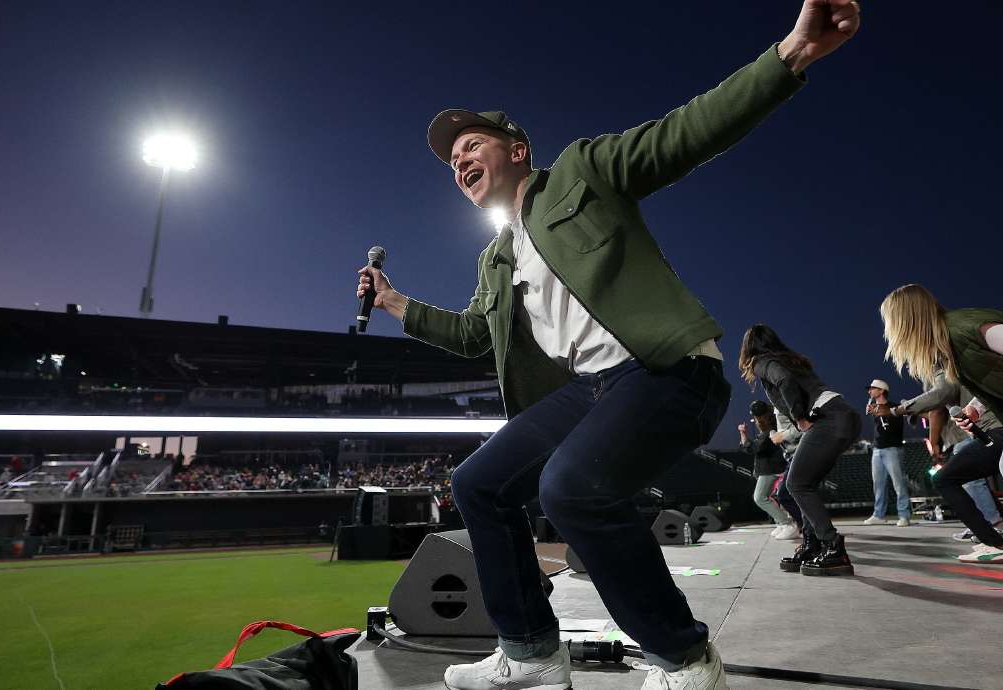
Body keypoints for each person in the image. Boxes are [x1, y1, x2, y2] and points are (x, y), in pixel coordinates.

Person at [355, 3, 861, 686]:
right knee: (479, 483)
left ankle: (683, 656)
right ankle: (531, 652)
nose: (459, 161)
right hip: (592, 392)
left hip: (667, 371)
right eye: (451, 161)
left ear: (517, 150)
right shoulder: (496, 260)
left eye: (471, 146)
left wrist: (790, 55)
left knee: (571, 488)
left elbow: (683, 134)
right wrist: (394, 303)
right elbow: (476, 335)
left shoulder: (581, 174)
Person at [880, 284, 1003, 595]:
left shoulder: (964, 326)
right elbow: (995, 374)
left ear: (907, 319)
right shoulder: (948, 343)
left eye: (891, 322)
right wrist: (975, 409)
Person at [738, 324, 861, 577]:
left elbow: (784, 380)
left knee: (796, 484)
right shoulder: (791, 359)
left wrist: (800, 418)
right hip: (844, 415)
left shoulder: (762, 361)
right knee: (804, 484)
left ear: (749, 348)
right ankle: (812, 543)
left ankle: (832, 547)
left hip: (828, 418)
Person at [876, 372, 1003, 563]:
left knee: (949, 479)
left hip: (997, 431)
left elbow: (940, 400)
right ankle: (1001, 531)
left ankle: (998, 538)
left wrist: (897, 410)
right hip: (996, 430)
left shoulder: (943, 366)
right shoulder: (965, 363)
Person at [739, 400, 797, 539]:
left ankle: (788, 524)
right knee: (769, 498)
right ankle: (782, 524)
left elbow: (751, 448)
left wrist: (742, 432)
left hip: (770, 470)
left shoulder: (769, 431)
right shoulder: (772, 427)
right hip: (773, 468)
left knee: (760, 498)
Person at [863, 379, 912, 526]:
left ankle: (904, 515)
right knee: (878, 484)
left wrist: (879, 413)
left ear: (882, 390)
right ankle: (878, 514)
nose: (870, 391)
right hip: (877, 449)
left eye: (873, 388)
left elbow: (896, 427)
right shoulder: (874, 407)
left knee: (899, 483)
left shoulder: (894, 406)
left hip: (892, 449)